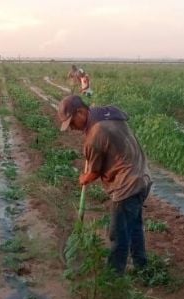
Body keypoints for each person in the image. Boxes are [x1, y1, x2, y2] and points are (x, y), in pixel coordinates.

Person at [57, 95, 152, 274]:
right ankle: (142, 266)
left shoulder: (96, 134)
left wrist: (84, 178)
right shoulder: (104, 114)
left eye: (71, 123)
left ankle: (114, 276)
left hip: (127, 184)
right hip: (142, 176)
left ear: (81, 112)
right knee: (134, 225)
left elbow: (93, 173)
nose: (72, 128)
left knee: (118, 234)